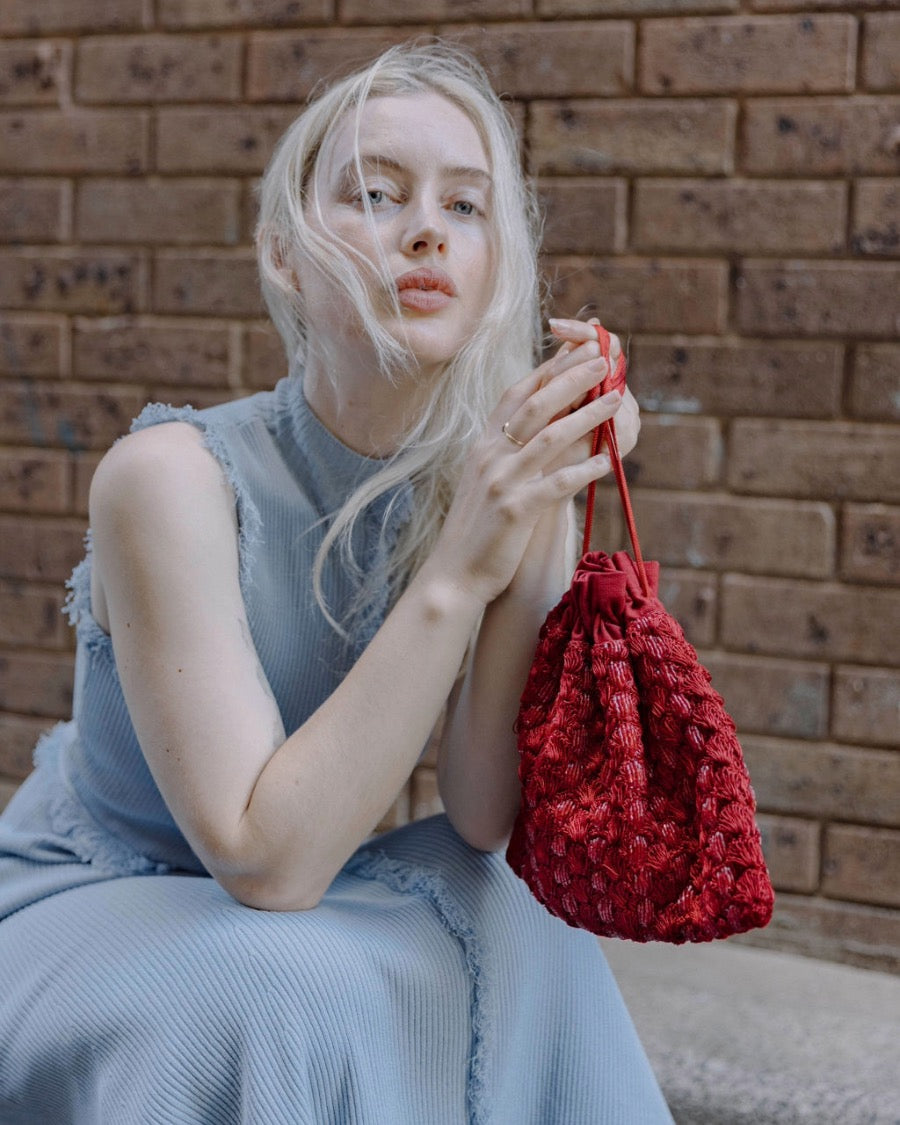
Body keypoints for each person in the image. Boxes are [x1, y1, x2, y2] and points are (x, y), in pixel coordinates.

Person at [0, 42, 673, 1124]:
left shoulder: (488, 479)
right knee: (274, 985)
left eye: (467, 206)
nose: (426, 231)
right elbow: (266, 863)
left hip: (285, 886)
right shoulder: (170, 481)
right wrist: (464, 559)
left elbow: (478, 813)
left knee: (527, 916)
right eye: (375, 193)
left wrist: (544, 499)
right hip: (102, 894)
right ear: (284, 256)